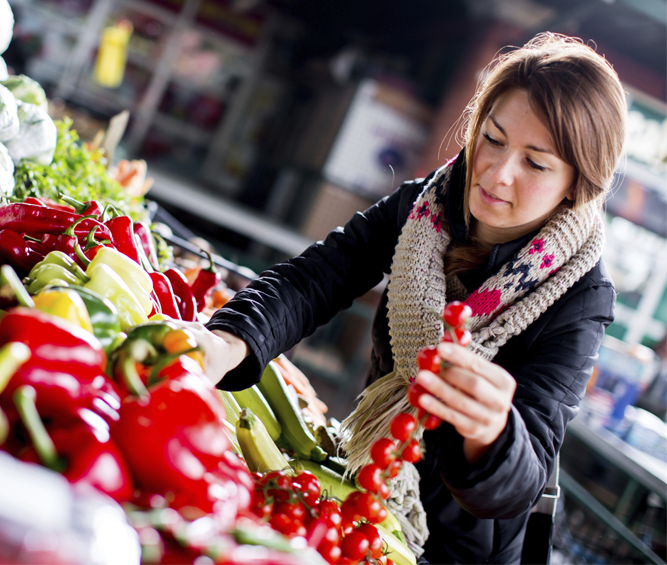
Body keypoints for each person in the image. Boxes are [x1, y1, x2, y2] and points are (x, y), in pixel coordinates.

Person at [180, 32, 626, 564]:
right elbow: (316, 278)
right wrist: (226, 343)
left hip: (463, 550)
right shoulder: (423, 208)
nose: (497, 172)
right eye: (493, 137)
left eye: (535, 163)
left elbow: (520, 482)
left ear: (577, 185)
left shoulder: (581, 295)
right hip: (365, 495)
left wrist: (492, 433)